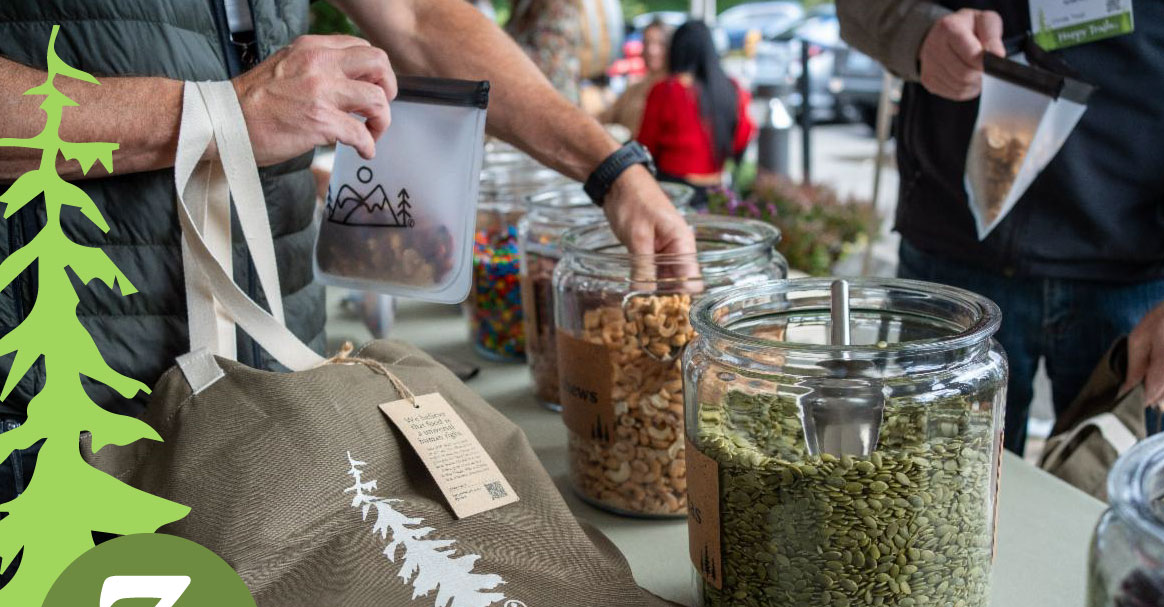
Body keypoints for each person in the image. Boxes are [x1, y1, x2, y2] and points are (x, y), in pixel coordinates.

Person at [0, 0, 695, 499]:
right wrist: (219, 114)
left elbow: (419, 19)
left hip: (276, 365)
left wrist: (611, 169)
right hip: (58, 390)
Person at [836, 0, 1164, 454]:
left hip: (1145, 279)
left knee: (1120, 514)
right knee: (929, 505)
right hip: (951, 257)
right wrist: (919, 34)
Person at [636, 20, 755, 204]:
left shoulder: (666, 90)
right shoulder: (732, 88)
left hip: (674, 190)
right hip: (717, 189)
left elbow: (645, 146)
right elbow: (744, 135)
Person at [600, 20, 671, 137]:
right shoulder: (634, 88)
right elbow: (605, 118)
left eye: (660, 44)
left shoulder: (675, 92)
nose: (651, 50)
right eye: (647, 43)